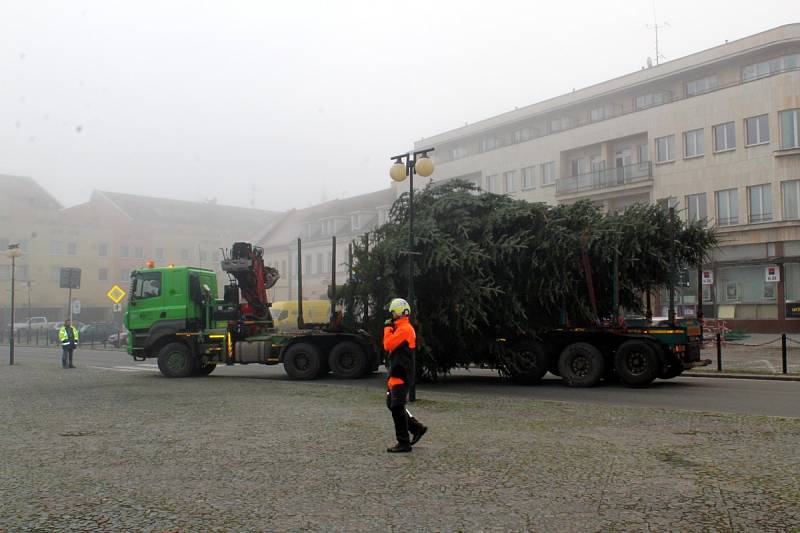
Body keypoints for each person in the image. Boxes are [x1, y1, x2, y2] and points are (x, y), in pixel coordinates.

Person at [384, 297, 427, 453]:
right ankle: (416, 428)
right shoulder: (401, 327)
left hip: (401, 372)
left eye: (392, 313)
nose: (390, 316)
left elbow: (388, 344)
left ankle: (404, 443)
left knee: (397, 406)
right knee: (392, 404)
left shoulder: (404, 329)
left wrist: (387, 329)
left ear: (398, 313)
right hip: (397, 371)